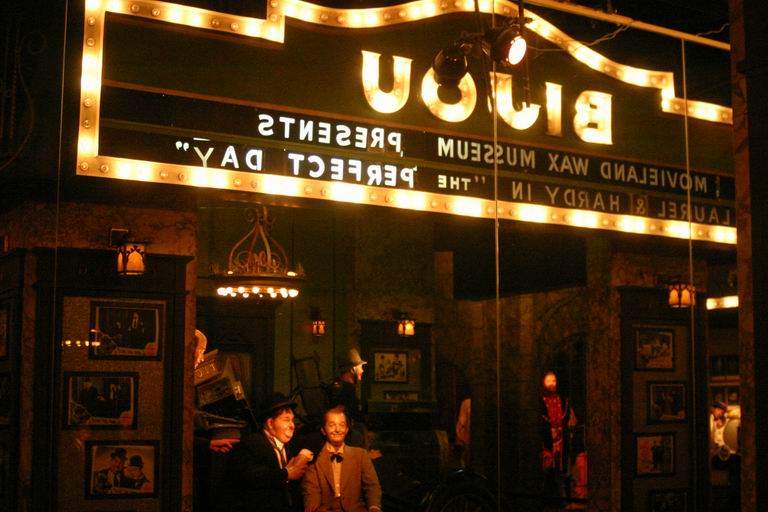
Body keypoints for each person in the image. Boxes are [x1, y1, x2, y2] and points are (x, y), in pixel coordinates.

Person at [223, 392, 313, 512]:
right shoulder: (251, 444)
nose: (292, 425)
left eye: (292, 420)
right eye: (286, 420)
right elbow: (252, 476)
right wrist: (287, 474)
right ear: (270, 423)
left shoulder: (290, 445)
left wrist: (303, 455)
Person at [302, 406, 382, 512]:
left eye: (342, 425)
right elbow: (311, 492)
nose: (337, 430)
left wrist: (374, 507)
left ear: (347, 430)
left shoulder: (361, 455)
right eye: (332, 425)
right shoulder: (315, 458)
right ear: (323, 430)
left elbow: (372, 486)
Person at [540, 371, 586, 509]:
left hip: (562, 441)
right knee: (548, 472)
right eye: (548, 381)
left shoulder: (563, 401)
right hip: (548, 442)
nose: (552, 384)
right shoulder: (540, 403)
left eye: (554, 381)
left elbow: (571, 422)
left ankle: (565, 501)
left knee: (563, 472)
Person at [326, 348, 369, 448]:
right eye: (360, 367)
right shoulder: (346, 389)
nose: (362, 370)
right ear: (352, 369)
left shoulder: (338, 386)